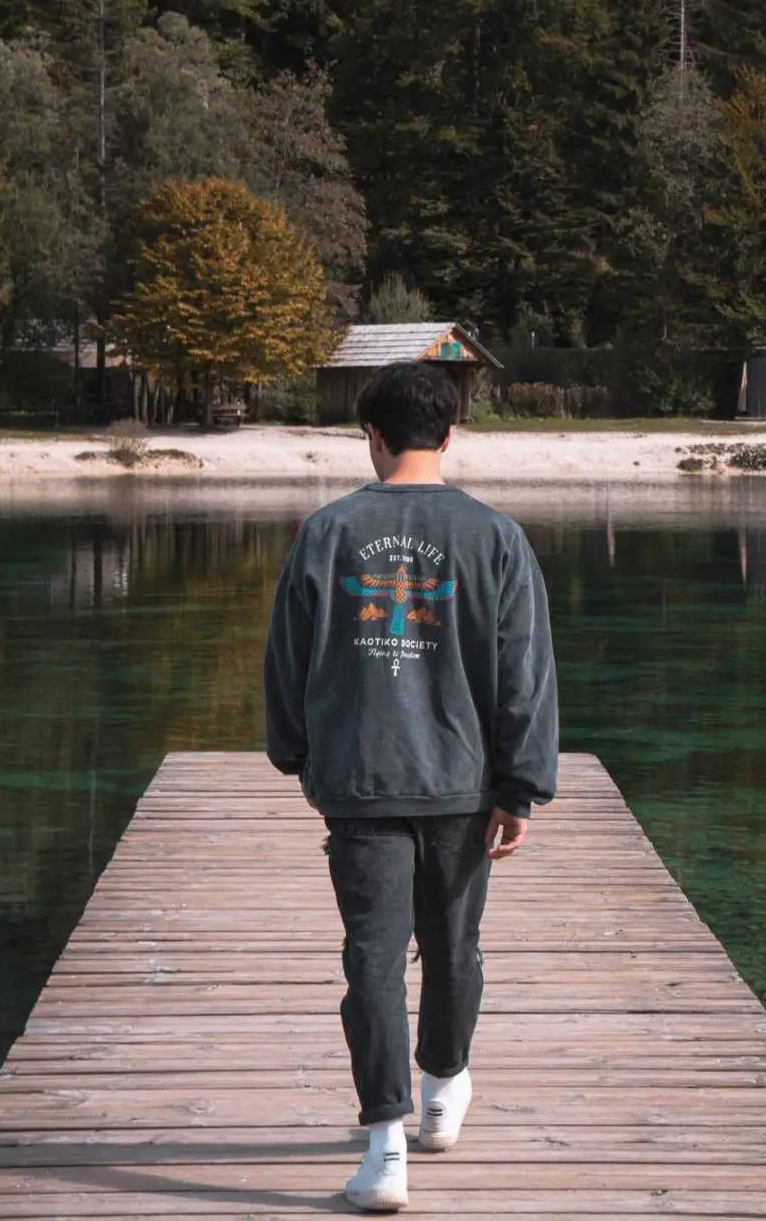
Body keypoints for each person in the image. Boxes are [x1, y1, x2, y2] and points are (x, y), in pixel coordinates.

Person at [264, 361, 558, 1212]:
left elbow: (287, 659)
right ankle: (442, 1089)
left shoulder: (326, 531)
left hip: (358, 782)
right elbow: (525, 672)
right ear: (452, 433)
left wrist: (293, 753)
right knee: (455, 948)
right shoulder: (495, 536)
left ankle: (385, 1143)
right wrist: (521, 785)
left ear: (374, 436)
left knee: (373, 960)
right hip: (465, 786)